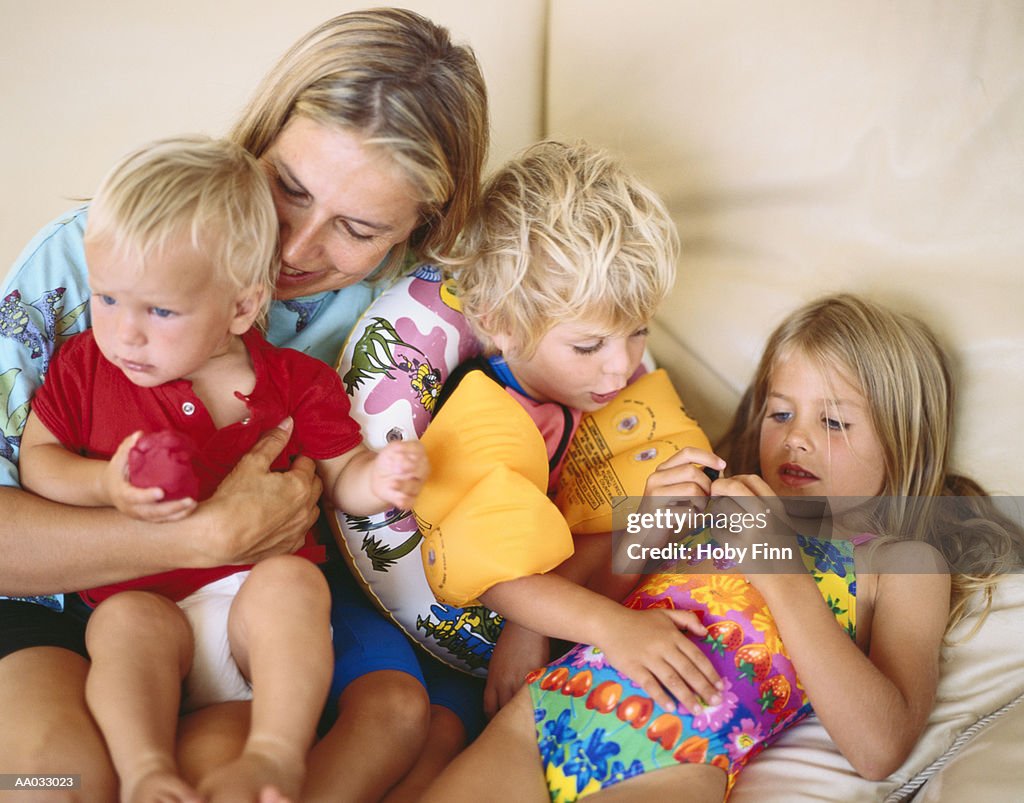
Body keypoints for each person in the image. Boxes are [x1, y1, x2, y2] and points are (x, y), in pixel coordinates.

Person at [0, 8, 487, 801]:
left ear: (416, 231)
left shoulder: (411, 317)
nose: (294, 249)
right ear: (260, 134)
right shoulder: (98, 256)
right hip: (53, 599)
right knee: (55, 778)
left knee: (225, 775)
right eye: (288, 187)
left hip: (238, 611)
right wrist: (205, 527)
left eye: (356, 229)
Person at [424, 293, 1022, 801]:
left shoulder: (901, 563)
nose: (796, 440)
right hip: (542, 713)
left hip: (675, 762)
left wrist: (779, 565)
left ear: (904, 439)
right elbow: (579, 595)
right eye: (780, 412)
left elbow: (878, 747)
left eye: (834, 423)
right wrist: (648, 528)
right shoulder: (710, 501)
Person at [416, 140, 725, 728]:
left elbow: (593, 546)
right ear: (503, 325)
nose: (621, 367)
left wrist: (655, 513)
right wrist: (608, 628)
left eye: (638, 332)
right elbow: (493, 569)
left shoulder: (591, 389)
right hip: (437, 642)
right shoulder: (486, 413)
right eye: (588, 346)